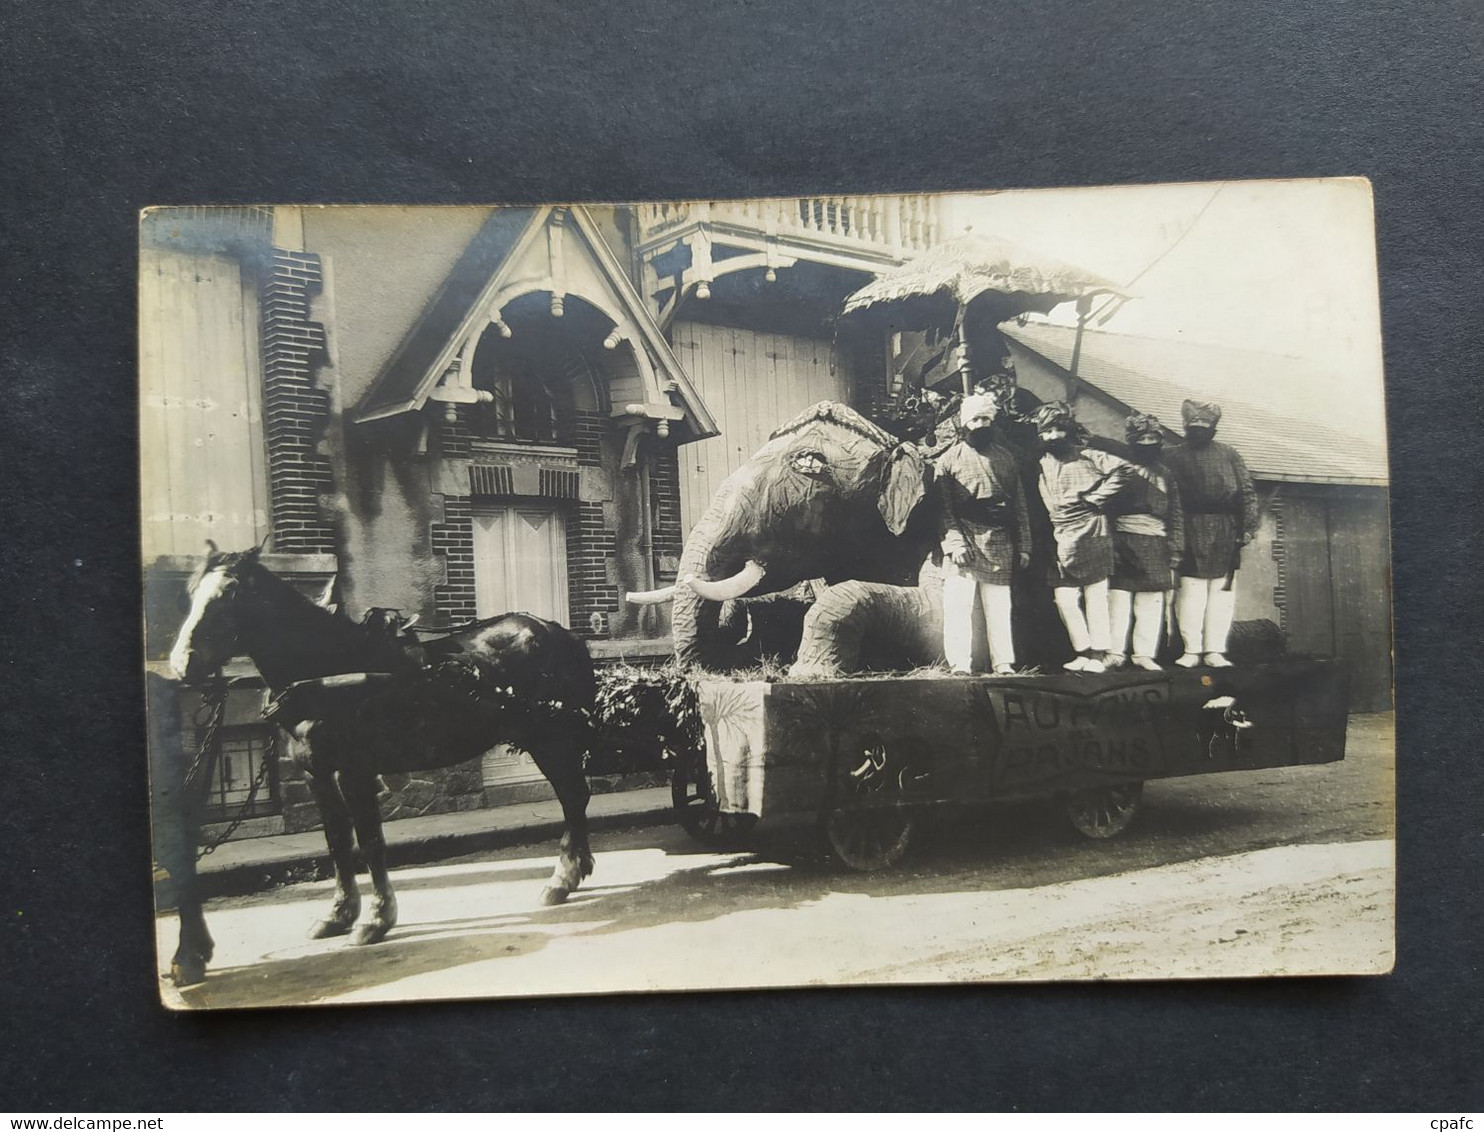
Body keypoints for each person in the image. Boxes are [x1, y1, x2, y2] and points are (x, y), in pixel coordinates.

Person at [1032, 401, 1135, 673]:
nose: (1053, 436)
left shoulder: (1086, 455)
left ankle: (1099, 656)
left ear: (1067, 430)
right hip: (1060, 534)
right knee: (1064, 598)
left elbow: (1126, 469)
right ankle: (1083, 650)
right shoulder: (1041, 462)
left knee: (1095, 596)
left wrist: (1095, 499)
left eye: (1058, 430)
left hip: (1091, 529)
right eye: (1047, 431)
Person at [935, 392, 1031, 675]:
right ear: (965, 423)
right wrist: (955, 544)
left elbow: (1020, 505)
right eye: (975, 419)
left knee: (999, 607)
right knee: (958, 607)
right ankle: (959, 663)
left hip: (999, 541)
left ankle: (1003, 663)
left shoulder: (1006, 459)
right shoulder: (949, 460)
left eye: (986, 419)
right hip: (963, 539)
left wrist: (1025, 545)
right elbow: (943, 509)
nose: (980, 425)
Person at [1164, 399, 1259, 668]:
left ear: (1213, 427)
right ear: (1185, 426)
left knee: (1221, 593)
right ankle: (1192, 649)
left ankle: (1214, 650)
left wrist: (1248, 528)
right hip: (1188, 527)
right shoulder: (1172, 455)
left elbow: (1247, 492)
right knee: (1191, 592)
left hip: (1225, 530)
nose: (1199, 429)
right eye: (1193, 425)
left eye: (1204, 425)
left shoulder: (1229, 453)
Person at [1104, 412, 1184, 671]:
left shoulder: (1166, 475)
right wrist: (1110, 542)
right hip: (1122, 540)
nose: (1148, 443)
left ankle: (1144, 654)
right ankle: (1115, 652)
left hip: (1156, 543)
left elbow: (1175, 512)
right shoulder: (1117, 467)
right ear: (1132, 440)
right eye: (1142, 438)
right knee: (1118, 600)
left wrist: (1175, 547)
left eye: (1153, 438)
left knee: (1151, 603)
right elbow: (1106, 508)